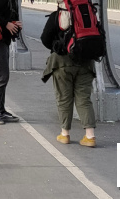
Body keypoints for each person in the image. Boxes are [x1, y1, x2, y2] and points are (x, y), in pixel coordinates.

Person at [41, 9, 97, 147]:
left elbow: (45, 39)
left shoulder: (57, 16)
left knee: (64, 98)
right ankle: (90, 136)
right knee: (84, 99)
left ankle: (65, 134)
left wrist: (58, 46)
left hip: (62, 63)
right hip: (85, 62)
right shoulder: (89, 14)